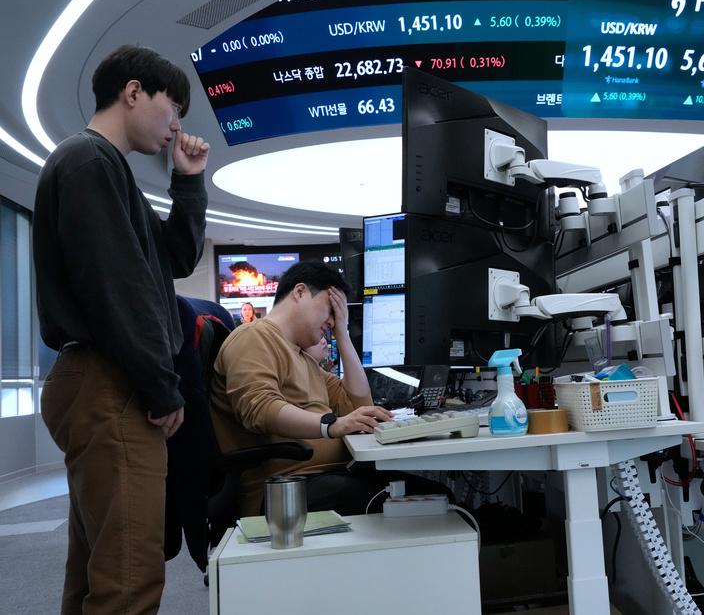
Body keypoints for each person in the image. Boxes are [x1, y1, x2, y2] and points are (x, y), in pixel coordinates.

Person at [32, 44, 209, 614]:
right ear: (134, 92)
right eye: (172, 106)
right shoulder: (89, 162)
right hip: (110, 383)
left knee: (98, 575)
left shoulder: (106, 170)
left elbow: (172, 261)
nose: (177, 124)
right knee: (128, 581)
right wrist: (161, 387)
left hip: (102, 380)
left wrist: (187, 183)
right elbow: (119, 291)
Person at [210, 261, 451, 517]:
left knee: (439, 496)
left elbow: (358, 407)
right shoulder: (253, 336)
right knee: (433, 508)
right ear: (300, 292)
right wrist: (331, 424)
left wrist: (343, 334)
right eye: (331, 307)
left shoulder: (303, 358)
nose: (334, 319)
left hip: (326, 477)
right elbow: (258, 409)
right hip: (285, 488)